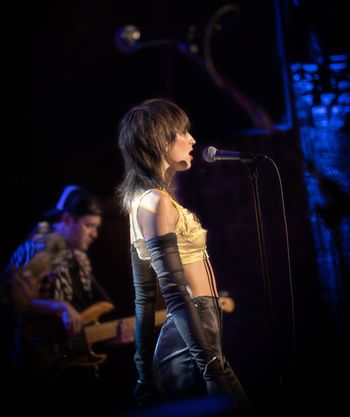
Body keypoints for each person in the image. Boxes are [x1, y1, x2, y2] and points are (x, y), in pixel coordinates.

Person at [117, 98, 254, 416]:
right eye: (183, 132)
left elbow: (144, 296)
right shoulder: (157, 203)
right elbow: (173, 293)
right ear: (160, 139)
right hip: (191, 333)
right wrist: (211, 369)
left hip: (195, 331)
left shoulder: (141, 201)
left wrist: (143, 372)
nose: (192, 140)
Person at [5, 185, 132, 416]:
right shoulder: (38, 248)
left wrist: (111, 336)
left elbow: (81, 319)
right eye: (88, 225)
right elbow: (9, 300)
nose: (94, 234)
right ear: (66, 219)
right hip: (43, 366)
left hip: (77, 369)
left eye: (96, 227)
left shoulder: (81, 258)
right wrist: (59, 305)